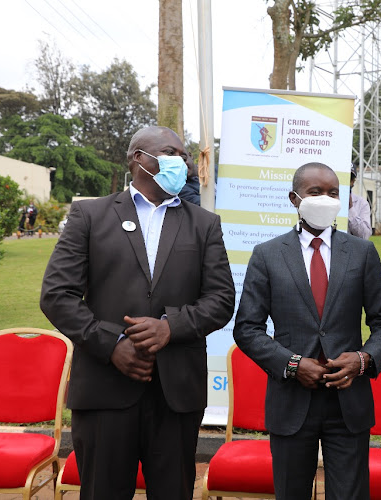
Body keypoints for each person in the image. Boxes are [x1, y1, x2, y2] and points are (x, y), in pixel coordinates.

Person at [40, 126, 235, 500]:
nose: (183, 162)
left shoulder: (204, 224)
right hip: (103, 391)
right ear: (138, 159)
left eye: (184, 155)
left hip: (176, 394)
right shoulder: (89, 215)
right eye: (170, 152)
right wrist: (112, 344)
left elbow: (221, 299)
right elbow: (57, 296)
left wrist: (170, 327)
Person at [233, 162, 381, 500]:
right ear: (295, 199)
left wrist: (363, 359)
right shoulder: (267, 256)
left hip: (348, 403)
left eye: (333, 193)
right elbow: (247, 329)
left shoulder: (362, 252)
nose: (325, 199)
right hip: (292, 401)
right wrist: (292, 364)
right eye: (315, 192)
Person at [347, 164, 372, 239]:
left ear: (353, 182)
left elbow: (365, 235)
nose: (346, 182)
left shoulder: (361, 203)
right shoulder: (327, 200)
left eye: (350, 178)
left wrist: (351, 208)